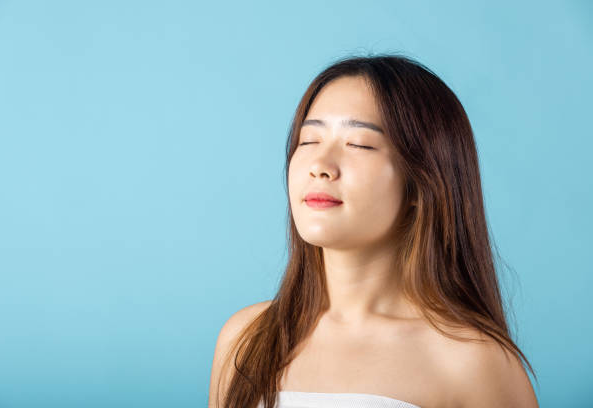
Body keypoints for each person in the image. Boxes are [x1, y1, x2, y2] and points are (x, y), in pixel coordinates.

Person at [208, 54, 539, 408]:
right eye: (308, 141)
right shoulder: (245, 338)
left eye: (359, 144)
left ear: (422, 183)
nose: (320, 166)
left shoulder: (473, 362)